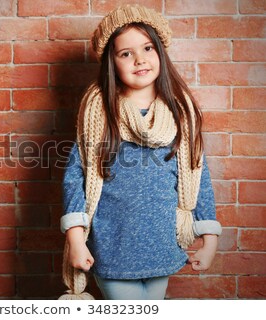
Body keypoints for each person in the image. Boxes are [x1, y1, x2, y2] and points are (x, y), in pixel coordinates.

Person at [59, 5, 222, 300]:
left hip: (161, 244)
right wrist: (75, 239)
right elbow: (75, 179)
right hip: (113, 245)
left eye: (147, 48)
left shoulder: (180, 113)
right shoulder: (99, 114)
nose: (139, 59)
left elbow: (200, 176)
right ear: (112, 62)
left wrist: (209, 239)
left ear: (160, 51)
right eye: (126, 53)